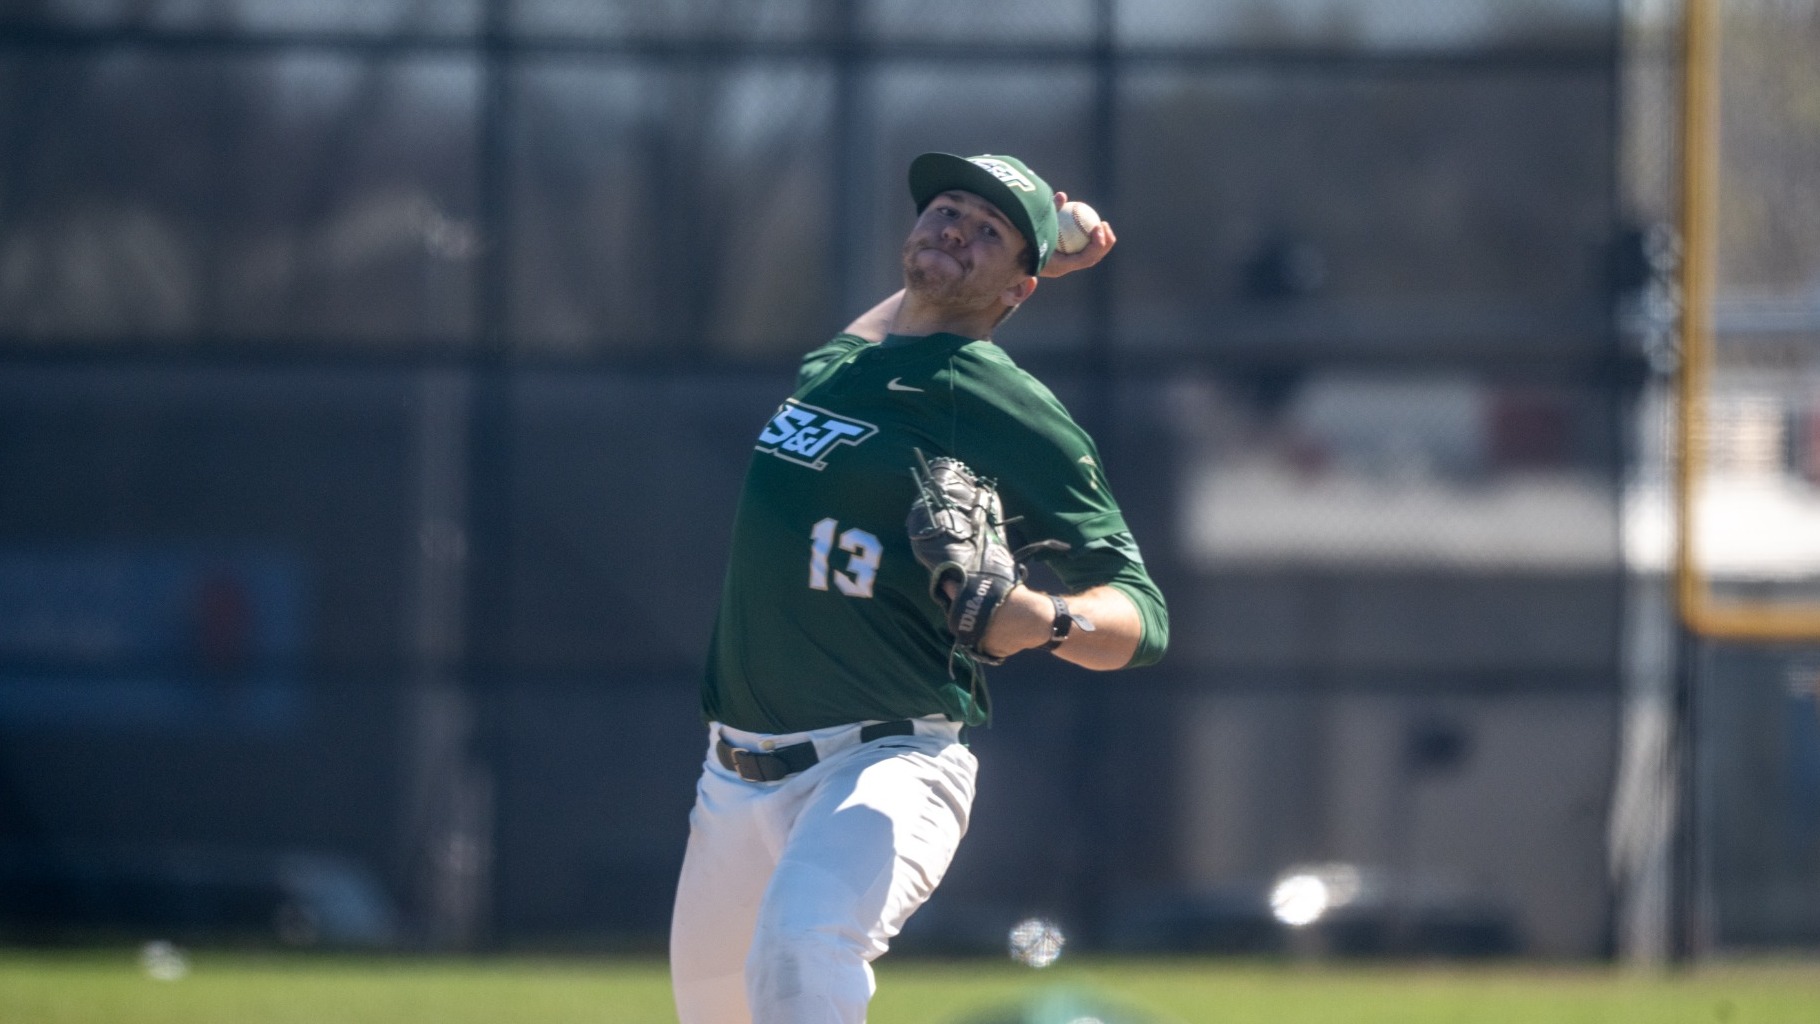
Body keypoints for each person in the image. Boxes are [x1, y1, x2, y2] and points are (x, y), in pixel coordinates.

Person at [669, 152, 1169, 1024]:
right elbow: (902, 319)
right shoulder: (842, 364)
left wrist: (1043, 621)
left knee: (802, 951)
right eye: (946, 210)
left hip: (882, 759)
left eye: (988, 233)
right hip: (732, 777)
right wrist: (1040, 249)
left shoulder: (996, 400)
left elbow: (1141, 611)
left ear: (1017, 293)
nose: (954, 232)